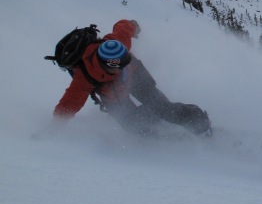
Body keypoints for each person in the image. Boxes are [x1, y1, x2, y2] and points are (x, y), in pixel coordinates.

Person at [53, 19, 211, 137]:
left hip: (138, 78)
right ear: (109, 65)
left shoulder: (116, 43)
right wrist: (54, 127)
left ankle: (201, 125)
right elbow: (70, 102)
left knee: (164, 108)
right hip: (113, 96)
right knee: (134, 126)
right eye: (121, 65)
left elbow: (123, 28)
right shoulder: (84, 77)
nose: (125, 65)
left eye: (126, 59)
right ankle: (156, 137)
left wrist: (133, 25)